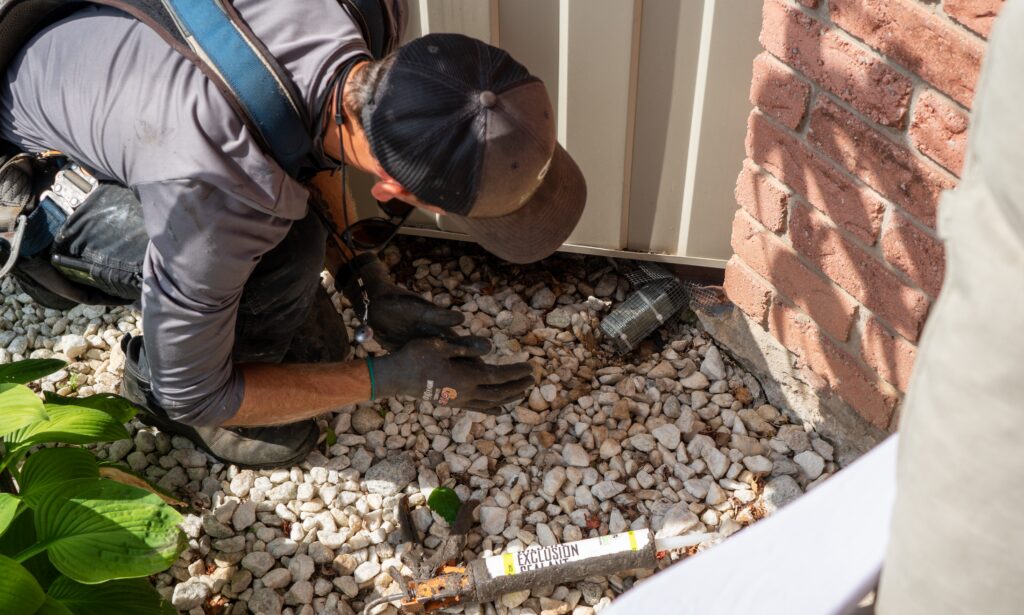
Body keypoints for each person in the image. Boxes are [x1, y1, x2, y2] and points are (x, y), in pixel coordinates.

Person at [0, 1, 586, 468]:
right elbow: (197, 391)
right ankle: (143, 385)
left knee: (304, 306)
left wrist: (365, 279)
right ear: (392, 189)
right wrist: (394, 378)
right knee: (280, 255)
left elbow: (318, 143)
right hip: (36, 173)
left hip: (123, 74)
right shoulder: (215, 195)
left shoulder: (369, 12)